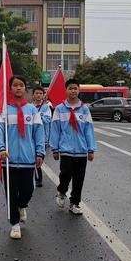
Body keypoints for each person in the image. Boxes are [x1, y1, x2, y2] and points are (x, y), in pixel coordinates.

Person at [0, 76, 45, 239]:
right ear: (10, 88)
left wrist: (40, 152)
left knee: (28, 190)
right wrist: (1, 148)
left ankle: (22, 205)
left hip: (27, 159)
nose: (18, 88)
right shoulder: (4, 110)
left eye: (21, 85)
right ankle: (14, 224)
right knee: (11, 193)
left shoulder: (32, 110)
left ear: (25, 89)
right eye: (15, 85)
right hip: (8, 160)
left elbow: (39, 133)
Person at [50, 78, 96, 215]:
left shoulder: (84, 109)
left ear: (79, 90)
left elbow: (89, 130)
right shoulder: (59, 109)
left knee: (79, 179)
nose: (73, 91)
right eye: (70, 88)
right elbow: (55, 129)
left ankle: (74, 203)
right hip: (65, 150)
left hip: (81, 150)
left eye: (75, 88)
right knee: (65, 174)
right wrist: (55, 148)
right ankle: (61, 191)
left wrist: (91, 149)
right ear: (66, 90)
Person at [31, 86, 52, 187]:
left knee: (39, 157)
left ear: (43, 95)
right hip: (30, 137)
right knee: (32, 157)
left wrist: (37, 116)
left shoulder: (46, 107)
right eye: (37, 93)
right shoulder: (29, 107)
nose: (38, 95)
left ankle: (39, 177)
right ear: (33, 95)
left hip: (42, 137)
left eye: (40, 93)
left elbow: (47, 119)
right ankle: (36, 177)